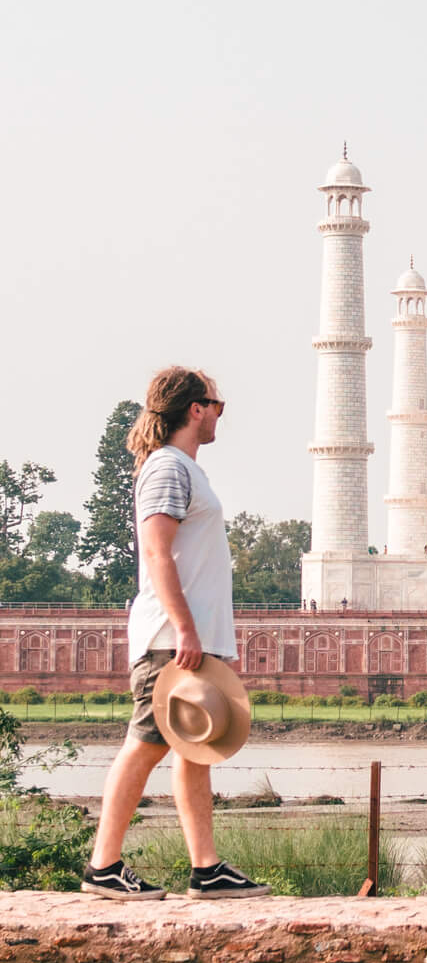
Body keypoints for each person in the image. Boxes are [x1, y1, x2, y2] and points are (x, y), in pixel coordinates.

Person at [81, 367, 269, 899]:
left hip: (189, 638)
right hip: (169, 636)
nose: (219, 416)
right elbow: (157, 554)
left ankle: (206, 868)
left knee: (193, 749)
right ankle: (103, 866)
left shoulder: (185, 469)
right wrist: (185, 627)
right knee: (144, 744)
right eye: (217, 406)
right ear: (196, 409)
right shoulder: (167, 468)